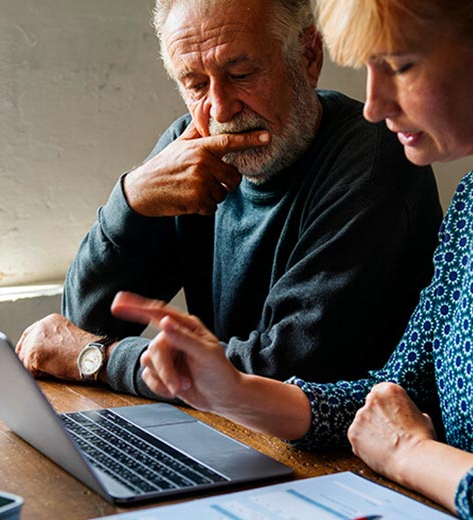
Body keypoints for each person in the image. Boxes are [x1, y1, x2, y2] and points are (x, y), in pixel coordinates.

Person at [108, 0, 473, 517]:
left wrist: (412, 454)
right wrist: (228, 390)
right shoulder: (472, 204)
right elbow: (393, 394)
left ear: (308, 56)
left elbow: (400, 434)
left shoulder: (368, 159)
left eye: (399, 65)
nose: (374, 103)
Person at [17, 0, 442, 398]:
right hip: (236, 436)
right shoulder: (192, 153)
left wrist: (100, 360)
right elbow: (83, 321)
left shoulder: (375, 161)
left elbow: (285, 373)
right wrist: (130, 201)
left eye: (241, 75)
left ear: (309, 56)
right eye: (196, 84)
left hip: (347, 460)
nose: (219, 110)